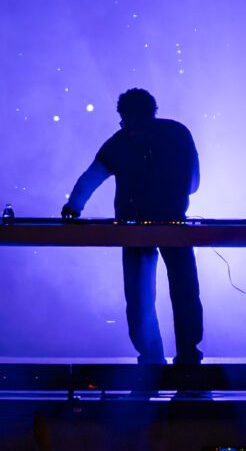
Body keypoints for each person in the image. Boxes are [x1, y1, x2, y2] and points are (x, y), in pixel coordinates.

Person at [63, 87, 203, 365]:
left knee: (140, 296)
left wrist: (73, 207)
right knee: (185, 291)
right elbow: (194, 184)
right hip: (174, 224)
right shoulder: (177, 134)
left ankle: (151, 358)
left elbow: (92, 176)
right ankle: (188, 355)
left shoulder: (119, 143)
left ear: (124, 115)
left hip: (133, 226)